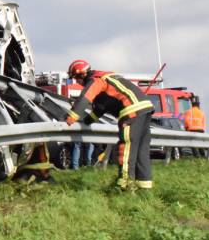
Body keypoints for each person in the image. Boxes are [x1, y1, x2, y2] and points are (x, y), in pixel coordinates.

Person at [64, 59, 154, 190]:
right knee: (142, 151)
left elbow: (85, 97)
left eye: (76, 78)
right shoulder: (108, 77)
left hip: (131, 112)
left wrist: (70, 118)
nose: (77, 82)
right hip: (145, 109)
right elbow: (101, 108)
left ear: (82, 74)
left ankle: (124, 186)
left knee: (126, 150)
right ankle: (145, 188)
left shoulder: (96, 80)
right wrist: (87, 121)